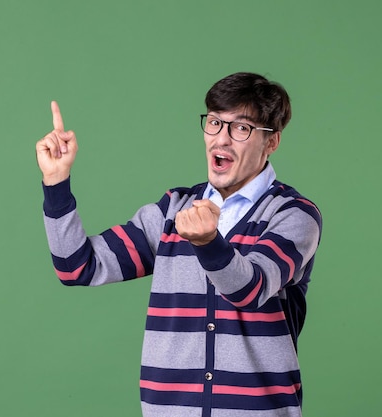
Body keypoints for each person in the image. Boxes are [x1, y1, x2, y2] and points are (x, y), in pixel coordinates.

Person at [35, 72, 322, 417]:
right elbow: (77, 267)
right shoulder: (173, 209)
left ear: (271, 141)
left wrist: (208, 242)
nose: (222, 139)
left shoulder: (293, 215)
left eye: (241, 128)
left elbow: (250, 289)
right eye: (214, 123)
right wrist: (56, 182)